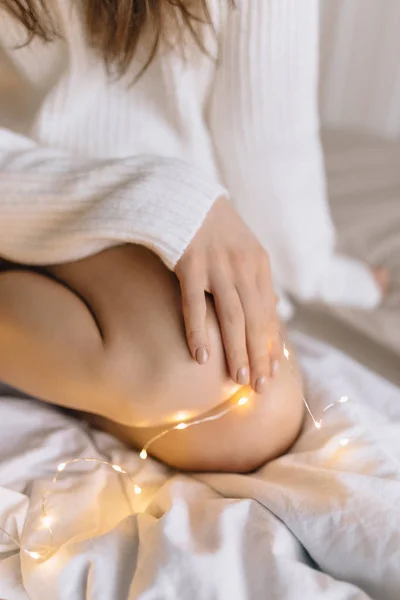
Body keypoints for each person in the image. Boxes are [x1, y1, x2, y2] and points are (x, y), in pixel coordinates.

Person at [0, 1, 385, 472]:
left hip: (147, 210)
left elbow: (266, 135)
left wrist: (316, 270)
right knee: (189, 379)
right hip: (21, 186)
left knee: (254, 415)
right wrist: (166, 198)